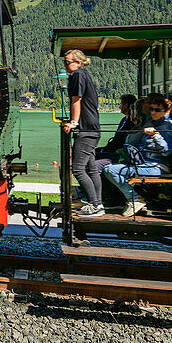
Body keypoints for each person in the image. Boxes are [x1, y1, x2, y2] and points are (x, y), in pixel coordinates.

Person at [102, 94, 172, 217]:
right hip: (144, 163)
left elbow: (166, 150)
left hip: (156, 167)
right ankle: (133, 199)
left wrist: (155, 135)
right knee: (111, 168)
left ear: (166, 111)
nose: (153, 112)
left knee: (110, 170)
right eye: (152, 109)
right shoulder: (152, 122)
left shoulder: (165, 126)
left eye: (157, 110)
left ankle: (134, 199)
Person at [61, 49, 103, 218]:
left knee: (78, 169)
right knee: (91, 169)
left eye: (68, 62)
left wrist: (73, 122)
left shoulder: (77, 75)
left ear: (78, 62)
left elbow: (76, 100)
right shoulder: (84, 74)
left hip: (85, 128)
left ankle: (95, 206)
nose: (65, 65)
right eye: (65, 62)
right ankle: (97, 203)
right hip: (93, 127)